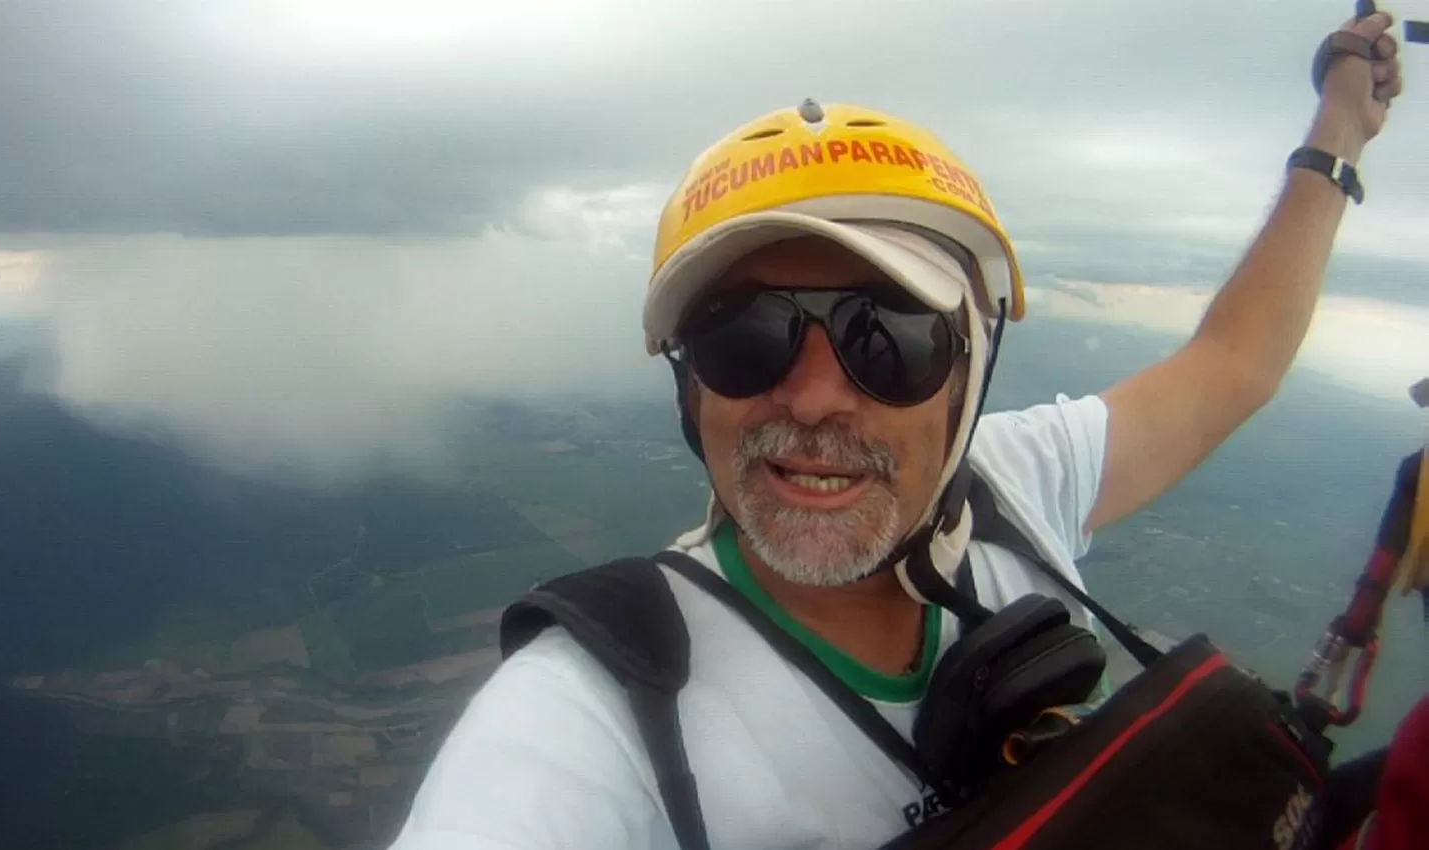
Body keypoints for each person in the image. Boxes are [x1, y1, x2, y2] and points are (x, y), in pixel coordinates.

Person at [389, 12, 1405, 850]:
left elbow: (1237, 361)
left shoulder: (1012, 483)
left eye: (892, 335)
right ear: (688, 383)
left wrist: (1339, 133)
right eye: (747, 337)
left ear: (970, 375)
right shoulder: (599, 718)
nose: (818, 397)